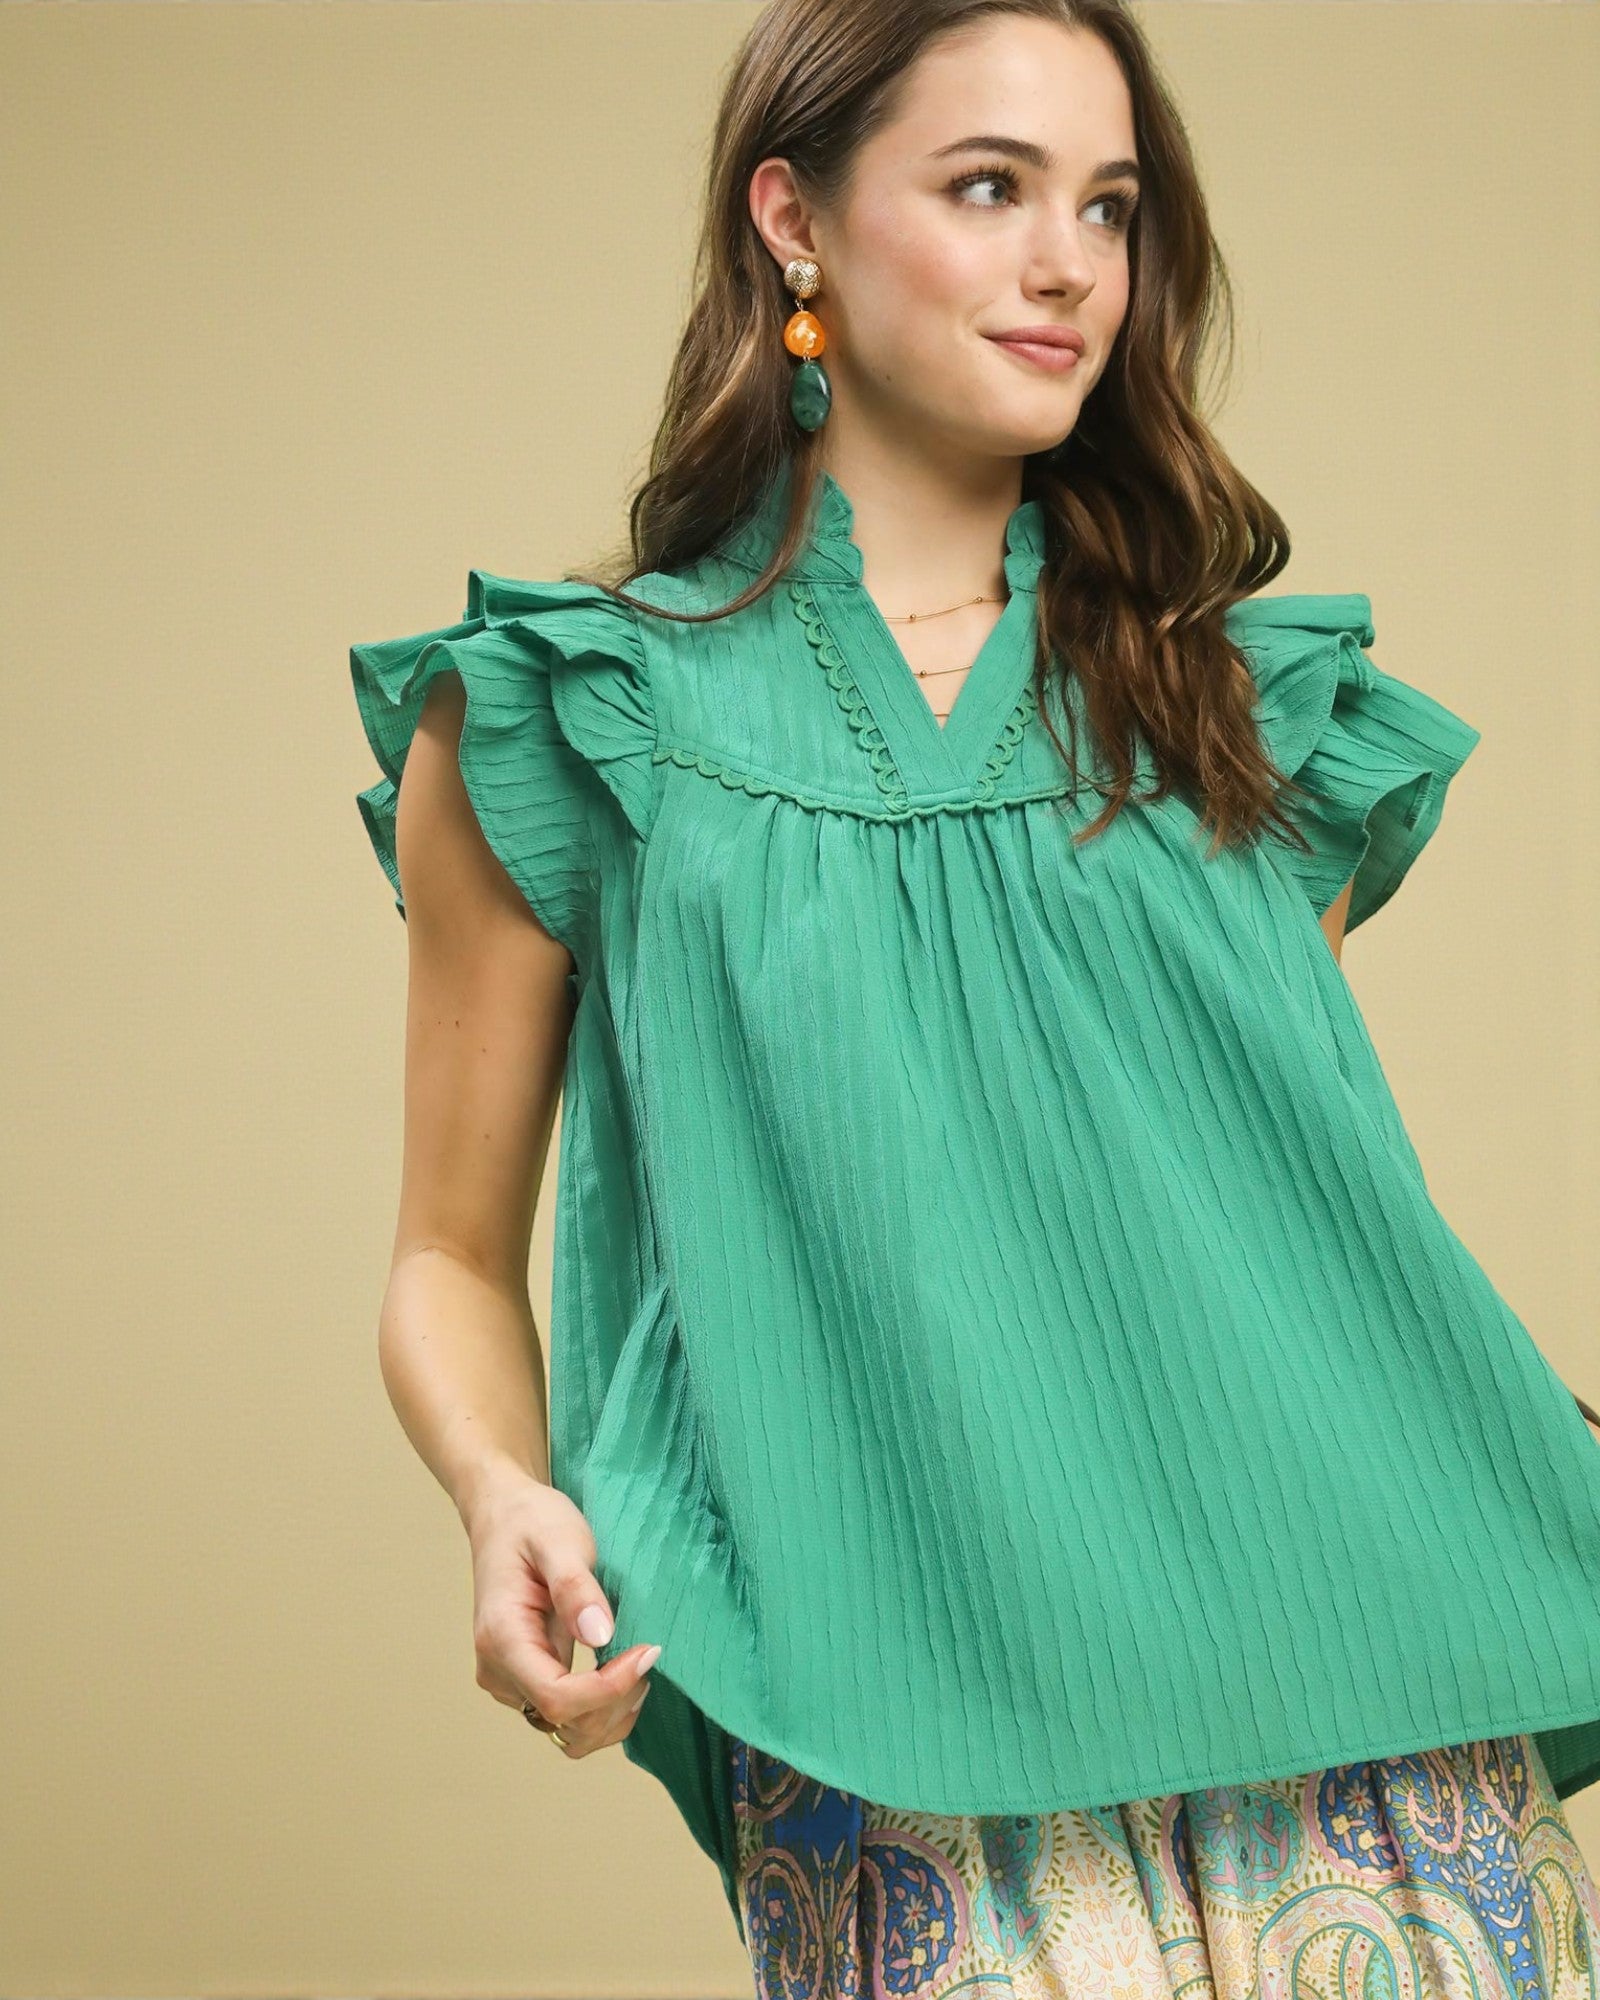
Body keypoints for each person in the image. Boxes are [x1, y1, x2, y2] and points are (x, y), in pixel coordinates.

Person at [348, 0, 1600, 1989]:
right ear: (792, 222)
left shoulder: (1235, 698)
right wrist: (505, 1496)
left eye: (1104, 206)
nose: (1065, 265)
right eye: (988, 188)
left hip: (1363, 1676)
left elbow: (1299, 1228)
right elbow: (443, 1249)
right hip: (894, 1700)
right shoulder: (571, 710)